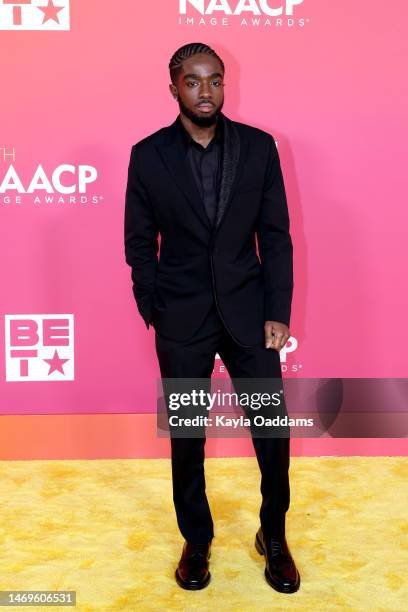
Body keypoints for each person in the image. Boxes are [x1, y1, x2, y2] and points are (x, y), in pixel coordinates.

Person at [124, 42, 300, 594]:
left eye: (216, 80)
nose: (207, 91)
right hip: (180, 317)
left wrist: (277, 311)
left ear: (226, 84)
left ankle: (273, 533)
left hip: (249, 314)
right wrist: (153, 306)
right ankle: (196, 539)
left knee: (272, 432)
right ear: (173, 86)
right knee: (186, 435)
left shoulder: (258, 147)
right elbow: (137, 241)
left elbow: (275, 236)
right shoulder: (147, 155)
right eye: (194, 81)